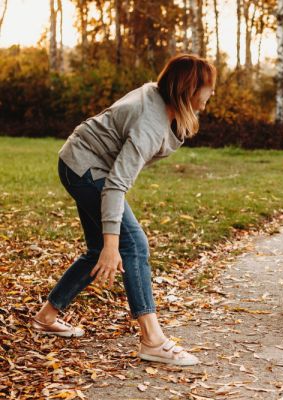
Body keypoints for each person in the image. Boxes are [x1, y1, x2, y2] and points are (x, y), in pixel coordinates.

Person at [31, 54, 216, 366]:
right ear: (189, 90)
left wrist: (107, 246)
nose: (212, 94)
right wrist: (113, 244)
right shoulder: (151, 123)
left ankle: (46, 316)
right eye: (208, 87)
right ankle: (152, 340)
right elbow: (116, 184)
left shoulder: (160, 100)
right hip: (84, 167)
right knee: (131, 244)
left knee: (98, 250)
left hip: (80, 161)